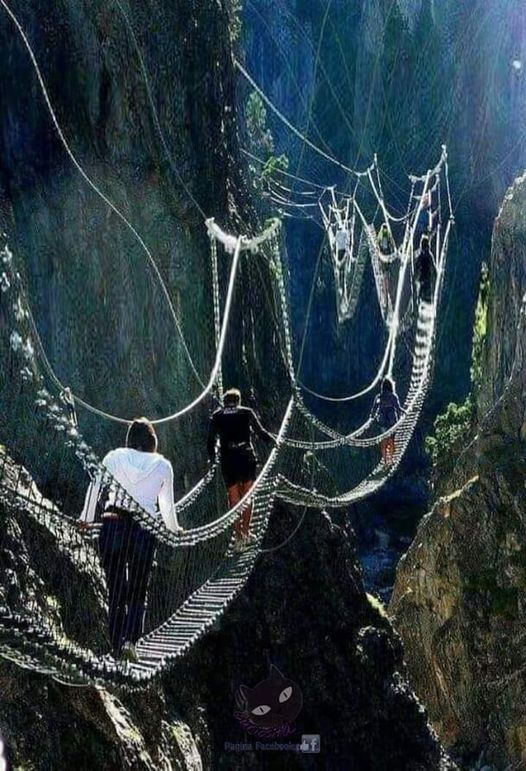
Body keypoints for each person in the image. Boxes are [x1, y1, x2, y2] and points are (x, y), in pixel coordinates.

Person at [79, 417, 182, 659]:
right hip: (144, 530)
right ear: (152, 441)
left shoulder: (113, 457)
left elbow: (95, 487)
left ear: (129, 439)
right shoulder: (163, 465)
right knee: (138, 589)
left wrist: (85, 517)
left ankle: (116, 643)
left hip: (113, 524)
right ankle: (131, 643)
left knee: (116, 588)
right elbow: (165, 504)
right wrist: (174, 528)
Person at [207, 388, 275, 551]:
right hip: (246, 457)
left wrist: (211, 459)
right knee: (247, 496)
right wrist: (274, 442)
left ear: (225, 402)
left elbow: (210, 440)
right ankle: (245, 532)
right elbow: (261, 432)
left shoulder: (217, 415)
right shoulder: (246, 412)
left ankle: (238, 538)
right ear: (238, 401)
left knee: (234, 498)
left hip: (228, 460)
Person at [371, 377, 405, 465]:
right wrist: (403, 412)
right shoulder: (393, 396)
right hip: (392, 421)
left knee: (384, 441)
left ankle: (385, 460)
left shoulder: (379, 397)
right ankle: (392, 459)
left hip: (382, 421)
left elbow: (374, 408)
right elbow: (398, 408)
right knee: (392, 440)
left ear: (382, 387)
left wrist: (372, 417)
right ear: (391, 386)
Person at [415, 234, 436, 304]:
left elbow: (417, 265)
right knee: (422, 289)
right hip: (424, 276)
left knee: (422, 290)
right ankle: (420, 301)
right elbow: (432, 265)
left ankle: (420, 301)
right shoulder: (427, 255)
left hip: (425, 276)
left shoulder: (424, 255)